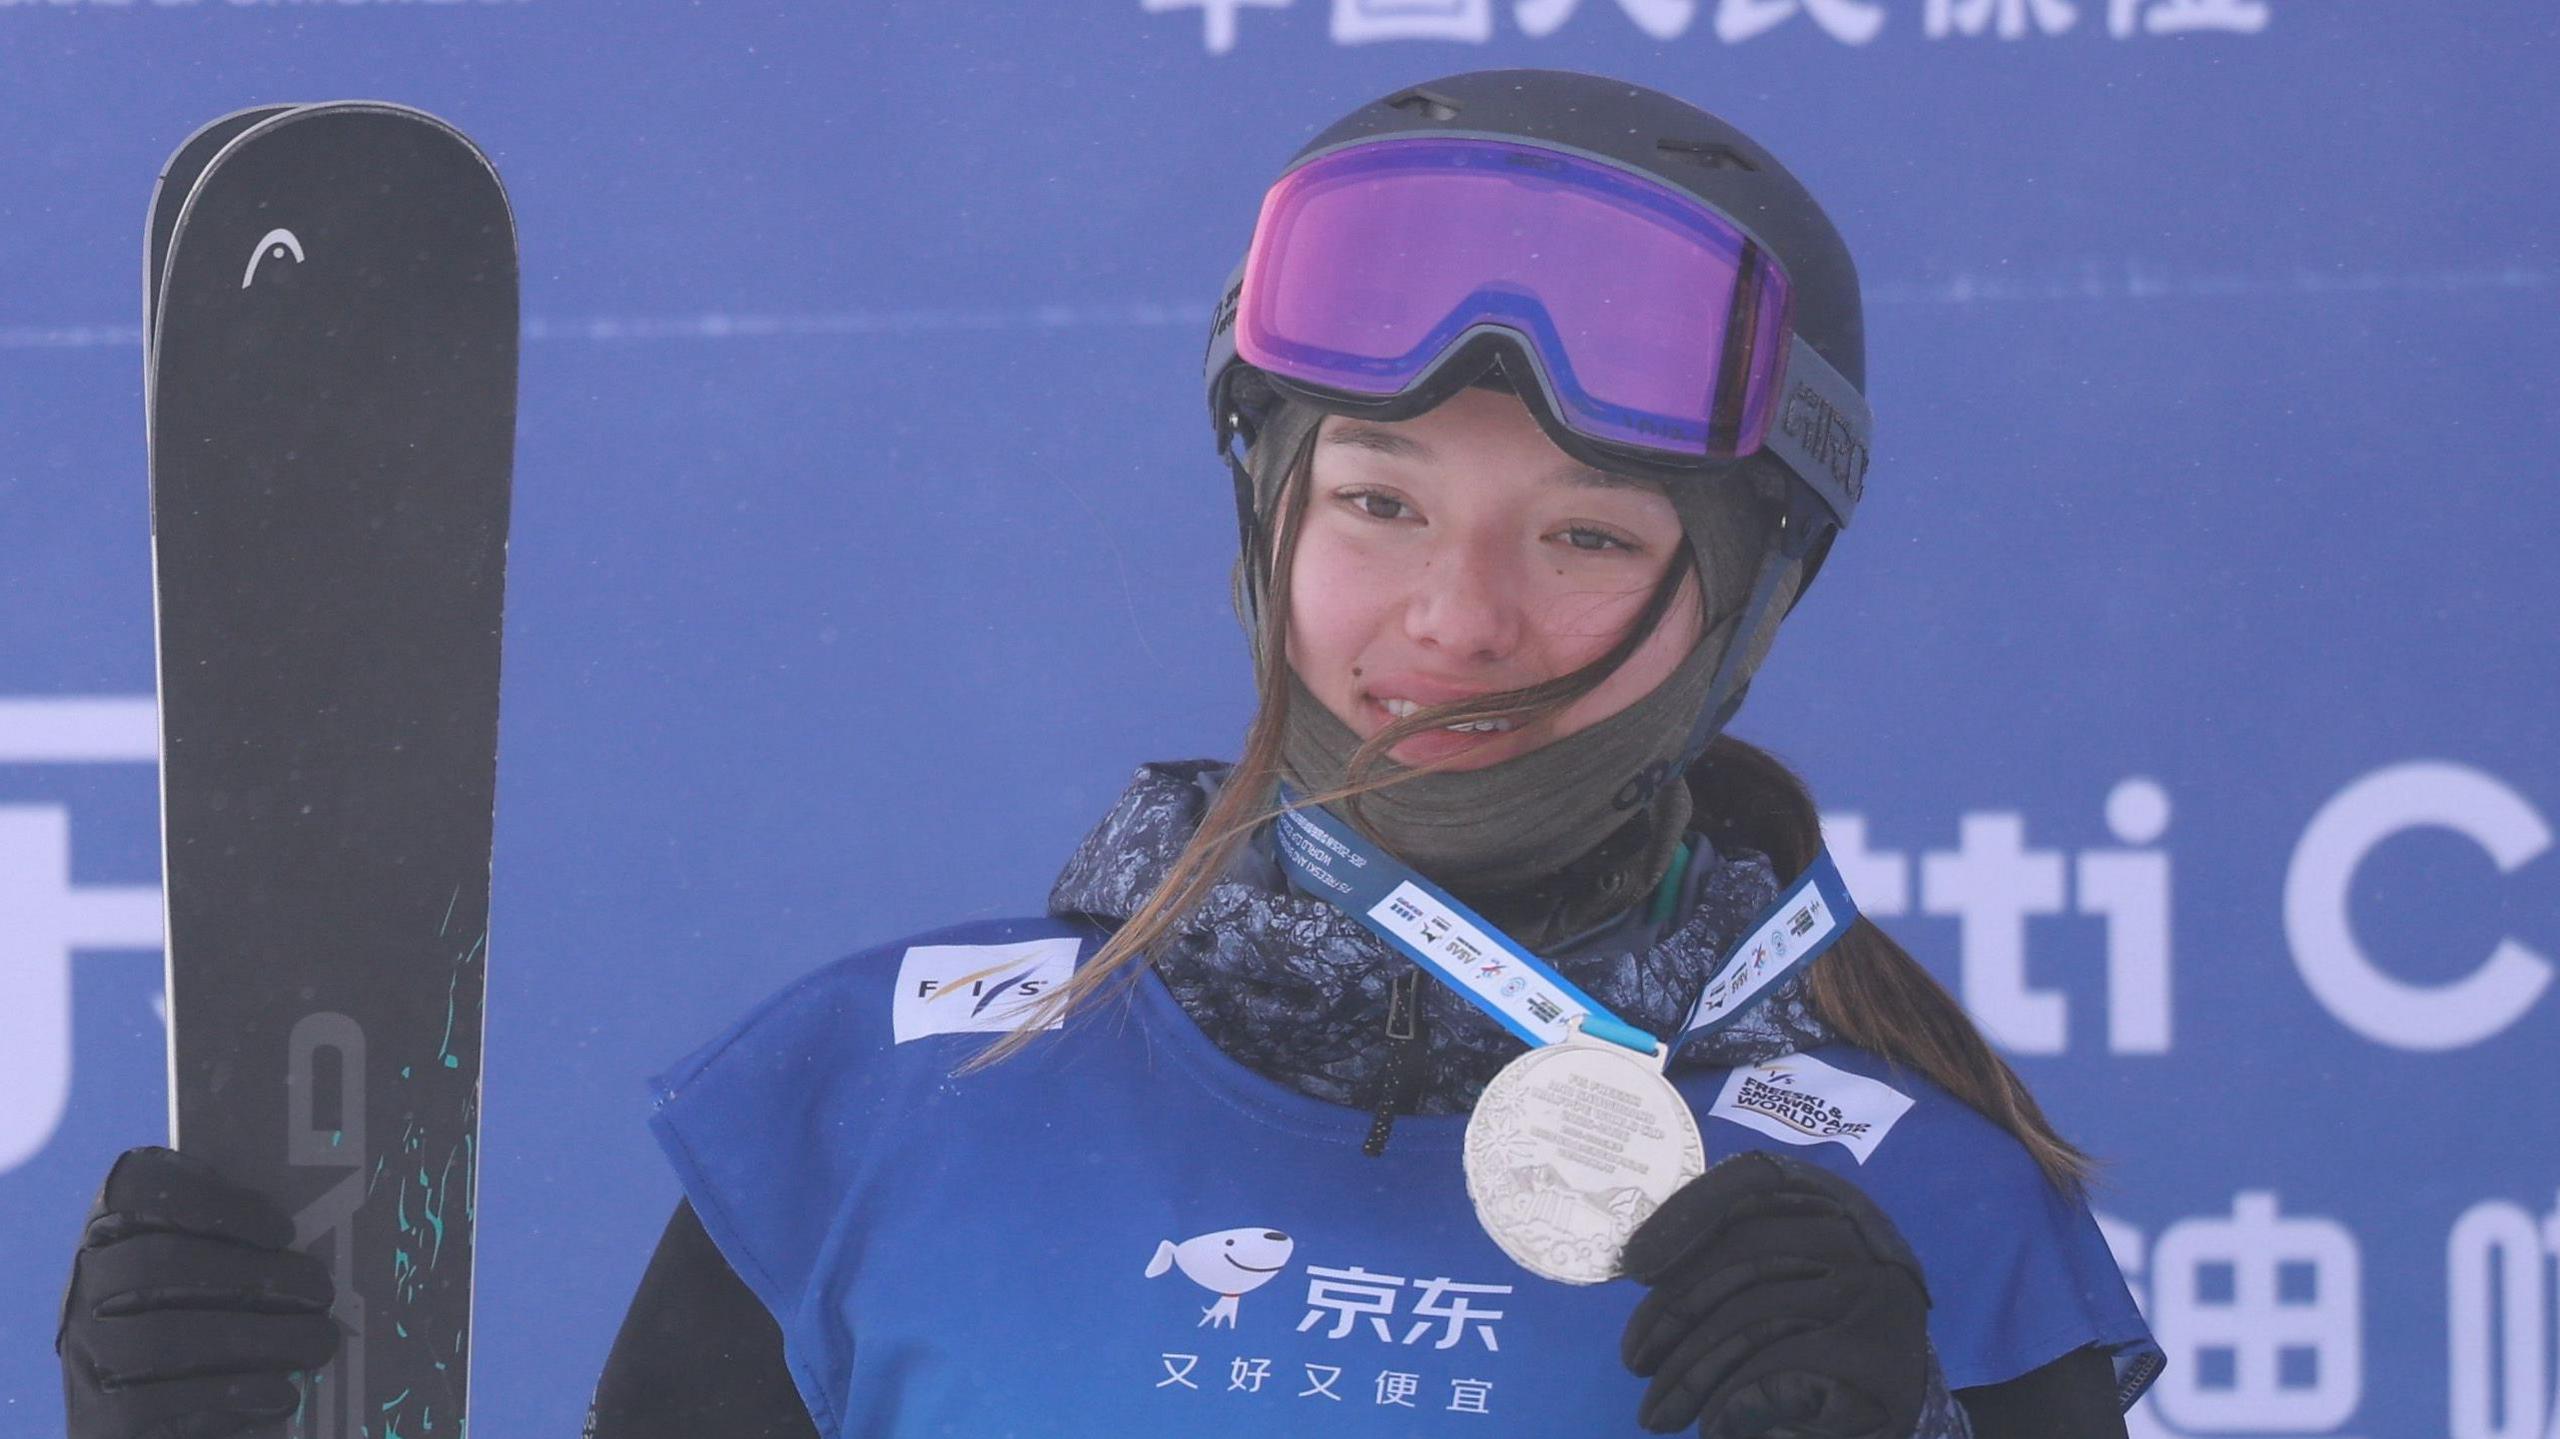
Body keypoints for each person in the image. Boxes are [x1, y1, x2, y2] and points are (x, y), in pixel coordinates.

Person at [59, 69, 2159, 1439]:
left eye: (1588, 537)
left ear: (1750, 602)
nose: (1455, 618)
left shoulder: (1923, 1223)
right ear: (1265, 524)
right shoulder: (883, 1113)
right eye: (1379, 503)